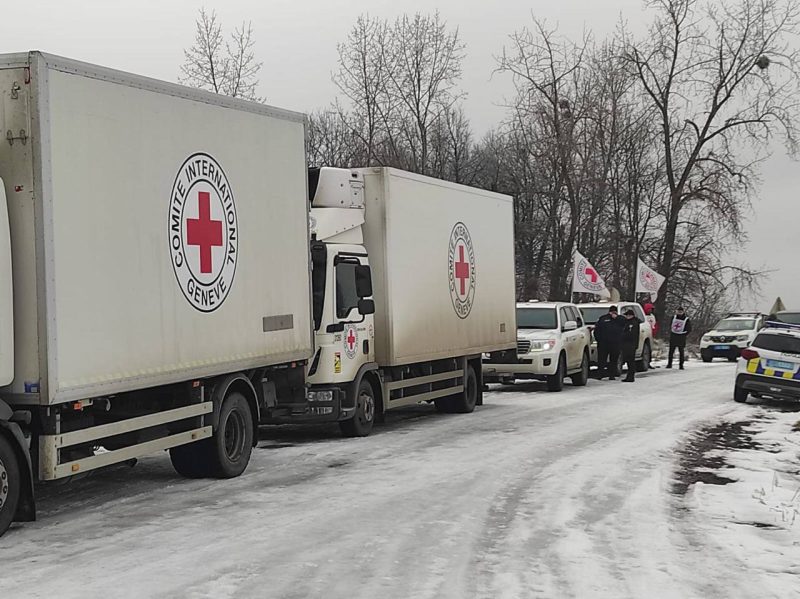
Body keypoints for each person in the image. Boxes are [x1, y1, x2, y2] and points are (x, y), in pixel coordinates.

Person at [593, 305, 624, 380]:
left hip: (615, 343)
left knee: (613, 360)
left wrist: (617, 318)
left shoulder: (619, 319)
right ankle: (600, 374)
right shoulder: (603, 319)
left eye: (615, 312)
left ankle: (612, 374)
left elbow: (624, 324)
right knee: (601, 360)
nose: (613, 313)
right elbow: (597, 330)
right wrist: (599, 340)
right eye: (612, 312)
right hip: (603, 343)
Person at [621, 308, 641, 382]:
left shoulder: (633, 323)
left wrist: (623, 335)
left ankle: (631, 377)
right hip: (628, 344)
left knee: (630, 361)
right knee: (629, 361)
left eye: (628, 315)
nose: (627, 317)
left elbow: (631, 334)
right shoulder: (628, 322)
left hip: (630, 344)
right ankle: (629, 376)